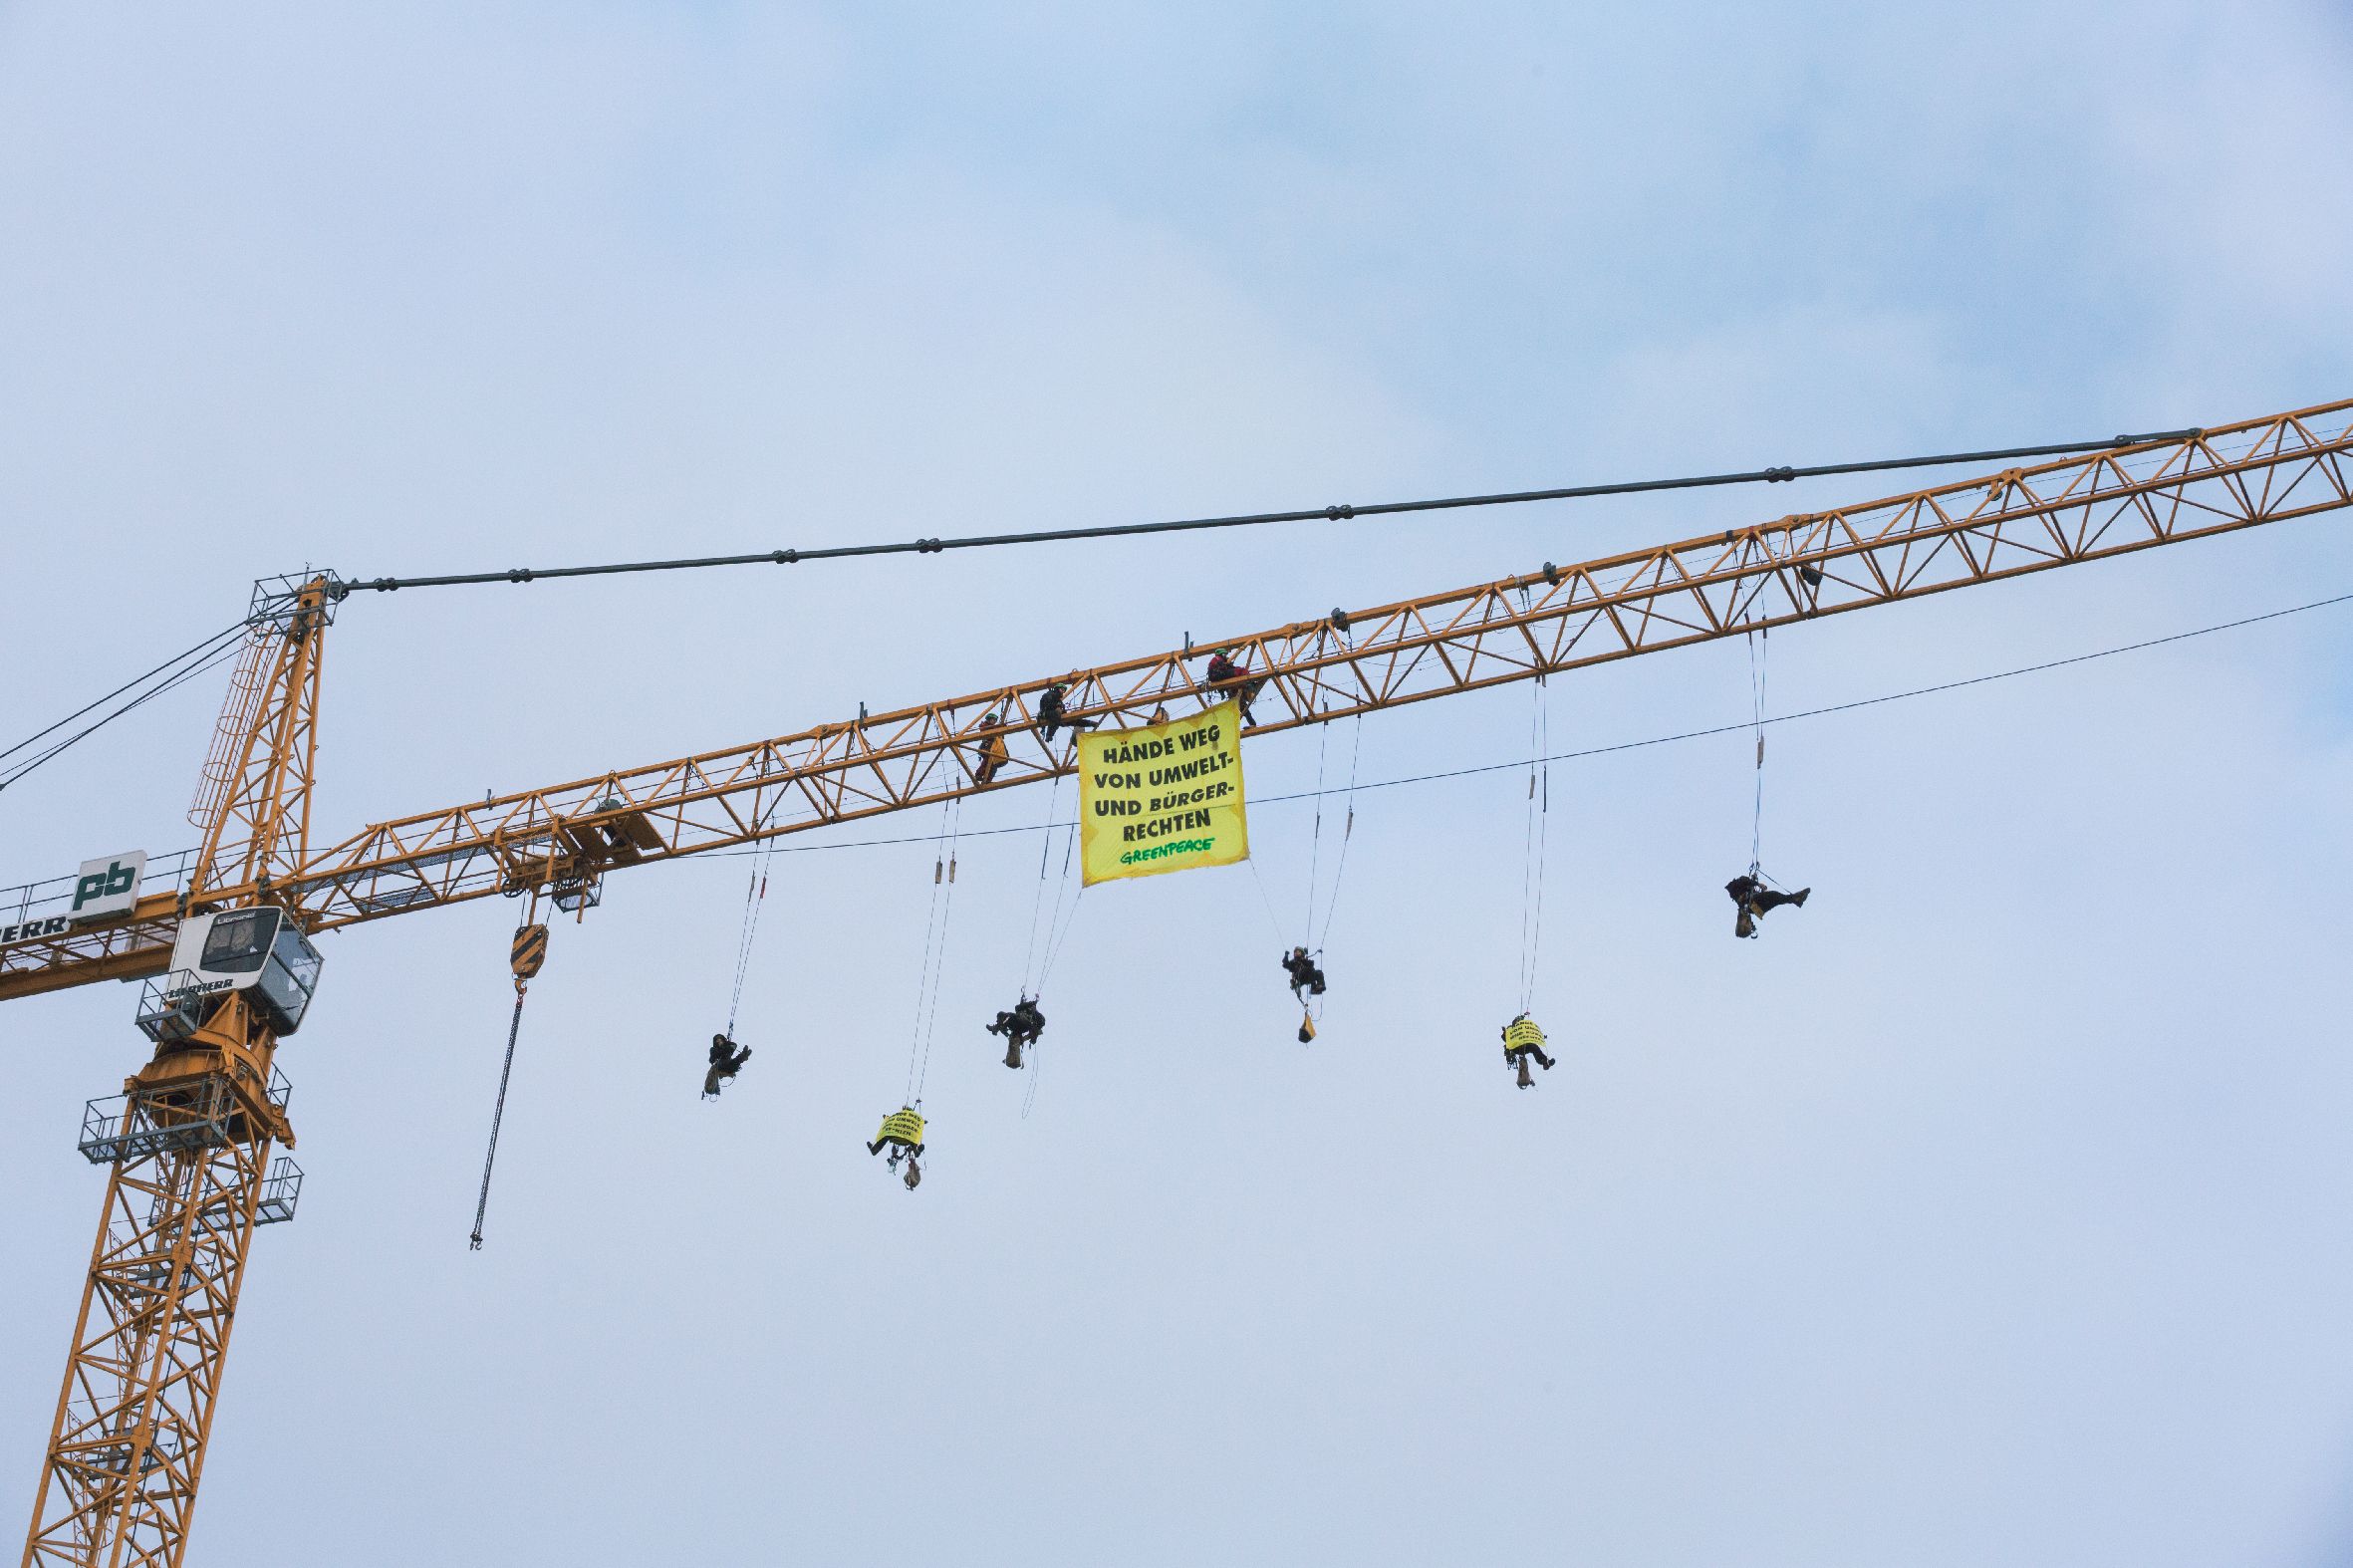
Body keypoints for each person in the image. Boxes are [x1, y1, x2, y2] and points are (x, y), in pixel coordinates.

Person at [1725, 873, 1810, 939]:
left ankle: (1794, 899)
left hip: (1754, 903)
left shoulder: (1736, 893)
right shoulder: (1746, 910)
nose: (1748, 922)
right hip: (1756, 906)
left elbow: (1743, 880)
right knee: (1775, 899)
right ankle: (1795, 899)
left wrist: (1757, 884)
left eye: (1747, 924)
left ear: (1741, 924)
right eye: (1749, 924)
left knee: (1774, 897)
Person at [868, 1106, 926, 1188]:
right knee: (912, 1140)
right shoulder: (903, 1117)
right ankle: (917, 1152)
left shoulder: (904, 1117)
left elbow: (891, 1120)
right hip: (905, 1139)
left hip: (899, 1138)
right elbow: (892, 1120)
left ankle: (875, 1149)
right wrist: (887, 1118)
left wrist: (886, 1118)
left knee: (887, 1136)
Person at [984, 995, 1047, 1069]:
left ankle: (996, 1028)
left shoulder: (1035, 1015)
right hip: (1017, 1027)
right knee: (1004, 1015)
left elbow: (1038, 1024)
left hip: (1024, 1025)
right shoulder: (1023, 1011)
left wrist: (1033, 1003)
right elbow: (1022, 1007)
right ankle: (997, 1027)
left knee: (1011, 1014)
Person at [1204, 648, 1263, 724]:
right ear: (1222, 654)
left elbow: (1225, 667)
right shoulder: (1217, 659)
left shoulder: (1218, 660)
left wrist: (1228, 664)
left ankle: (1252, 723)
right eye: (1225, 654)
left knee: (1241, 705)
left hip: (1221, 680)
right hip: (1219, 675)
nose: (1226, 656)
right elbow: (1224, 667)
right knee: (1241, 670)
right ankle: (1251, 686)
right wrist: (1228, 664)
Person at [1500, 1013, 1556, 1090]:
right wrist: (1505, 1032)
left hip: (1523, 1045)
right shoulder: (1510, 1031)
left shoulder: (1521, 1028)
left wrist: (1540, 1036)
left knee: (1533, 1047)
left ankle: (1544, 1061)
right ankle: (1543, 1061)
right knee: (1532, 1046)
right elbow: (1504, 1038)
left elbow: (1529, 1032)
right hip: (1516, 1047)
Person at [702, 1033, 752, 1099]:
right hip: (721, 1066)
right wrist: (724, 1049)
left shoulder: (727, 1046)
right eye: (717, 1041)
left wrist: (726, 1044)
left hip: (729, 1067)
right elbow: (712, 1059)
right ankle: (743, 1056)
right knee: (727, 1063)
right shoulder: (713, 1049)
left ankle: (743, 1055)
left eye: (720, 1040)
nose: (719, 1042)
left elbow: (734, 1045)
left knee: (735, 1063)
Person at [971, 711, 1011, 785]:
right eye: (993, 720)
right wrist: (1000, 727)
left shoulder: (993, 728)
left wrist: (1001, 727)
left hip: (993, 748)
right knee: (987, 761)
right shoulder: (985, 725)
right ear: (989, 720)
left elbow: (998, 733)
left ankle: (988, 780)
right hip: (986, 747)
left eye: (995, 720)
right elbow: (987, 729)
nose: (994, 722)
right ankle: (978, 775)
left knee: (993, 765)